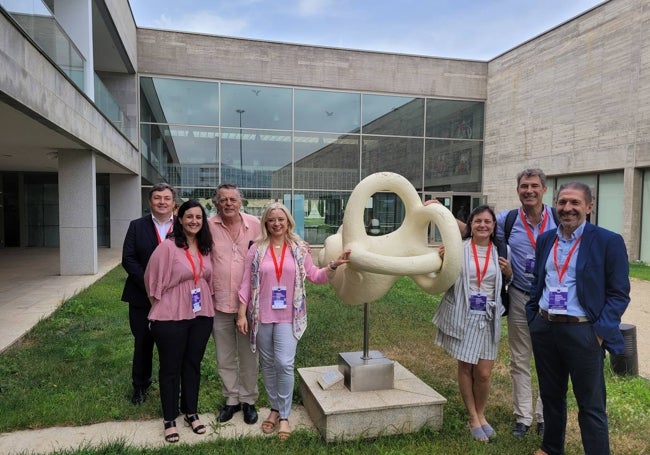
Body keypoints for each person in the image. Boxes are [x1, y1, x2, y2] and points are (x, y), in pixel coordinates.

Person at [526, 182, 630, 455]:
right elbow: (539, 282)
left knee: (591, 404)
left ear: (589, 207)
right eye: (562, 202)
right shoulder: (547, 239)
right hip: (546, 328)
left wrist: (598, 333)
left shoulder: (608, 241)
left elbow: (619, 294)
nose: (567, 208)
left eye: (574, 203)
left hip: (584, 332)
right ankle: (550, 448)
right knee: (550, 396)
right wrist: (533, 319)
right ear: (555, 205)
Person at [236, 202, 350, 440]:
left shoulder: (299, 248)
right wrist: (240, 313)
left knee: (284, 363)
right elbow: (246, 282)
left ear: (288, 221)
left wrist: (332, 266)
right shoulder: (256, 249)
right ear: (265, 223)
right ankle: (275, 409)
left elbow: (315, 276)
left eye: (281, 219)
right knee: (267, 365)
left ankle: (285, 415)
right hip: (261, 316)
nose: (277, 223)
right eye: (272, 219)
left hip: (289, 317)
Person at [433, 205, 510, 442]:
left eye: (487, 222)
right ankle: (473, 417)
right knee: (466, 367)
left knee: (484, 373)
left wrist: (509, 273)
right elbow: (443, 278)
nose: (483, 225)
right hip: (465, 315)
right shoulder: (459, 249)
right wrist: (443, 260)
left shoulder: (500, 251)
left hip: (489, 315)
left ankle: (482, 413)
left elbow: (506, 282)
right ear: (471, 224)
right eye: (478, 221)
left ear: (494, 226)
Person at [144, 199, 215, 443]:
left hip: (201, 314)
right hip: (171, 316)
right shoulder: (168, 247)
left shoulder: (206, 247)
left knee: (192, 364)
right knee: (170, 368)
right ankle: (170, 418)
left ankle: (191, 412)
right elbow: (151, 281)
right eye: (189, 217)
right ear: (180, 219)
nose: (194, 221)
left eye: (198, 217)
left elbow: (208, 278)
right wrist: (162, 306)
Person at [208, 183, 262, 425]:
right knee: (224, 356)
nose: (228, 203)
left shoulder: (256, 225)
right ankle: (231, 399)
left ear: (241, 202)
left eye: (232, 199)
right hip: (217, 302)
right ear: (215, 203)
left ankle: (249, 400)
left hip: (250, 305)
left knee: (249, 354)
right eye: (223, 200)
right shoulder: (207, 227)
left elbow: (278, 240)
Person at [121, 182, 176, 405]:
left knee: (172, 345)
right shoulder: (137, 226)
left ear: (174, 203)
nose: (162, 202)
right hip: (141, 297)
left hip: (174, 298)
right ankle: (140, 386)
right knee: (142, 343)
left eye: (166, 198)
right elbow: (128, 258)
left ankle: (172, 386)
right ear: (149, 201)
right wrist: (150, 285)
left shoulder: (182, 227)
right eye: (157, 198)